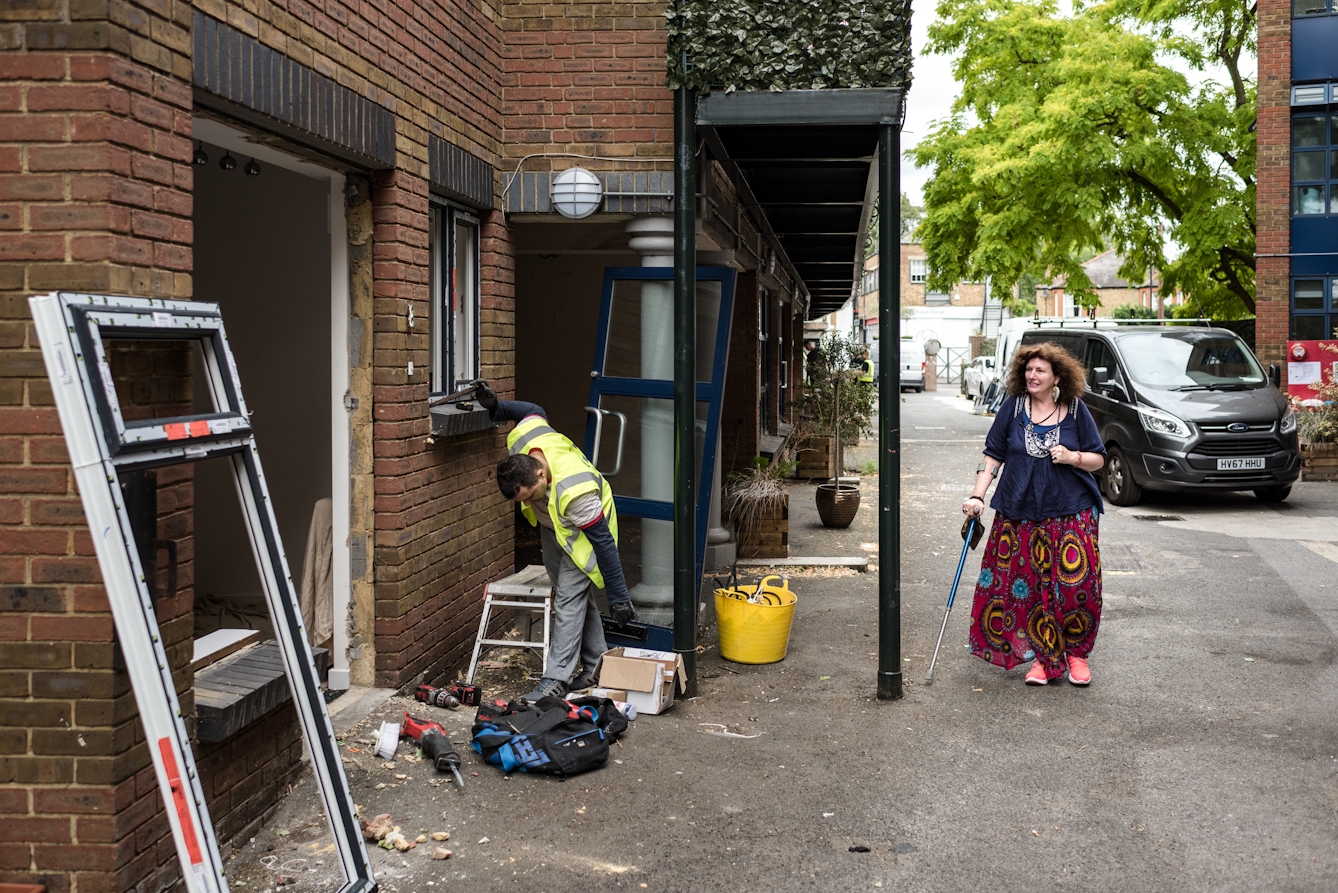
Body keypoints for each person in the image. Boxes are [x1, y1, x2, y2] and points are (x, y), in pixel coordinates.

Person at [475, 382, 635, 701]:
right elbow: (534, 411)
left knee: (567, 600)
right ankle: (596, 668)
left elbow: (602, 541)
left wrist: (618, 596)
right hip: (553, 526)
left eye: (531, 494)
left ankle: (555, 678)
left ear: (539, 474)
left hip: (585, 533)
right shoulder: (522, 441)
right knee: (571, 597)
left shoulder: (577, 491)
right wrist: (497, 407)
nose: (528, 500)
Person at [961, 342, 1106, 686]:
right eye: (1028, 369)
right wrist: (977, 495)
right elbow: (992, 455)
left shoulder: (1075, 411)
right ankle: (1045, 659)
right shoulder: (1012, 409)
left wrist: (1073, 457)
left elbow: (1098, 458)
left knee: (1077, 587)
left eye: (1041, 370)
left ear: (1057, 377)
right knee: (1030, 590)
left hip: (1071, 509)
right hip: (1020, 511)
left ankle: (1076, 654)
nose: (1032, 375)